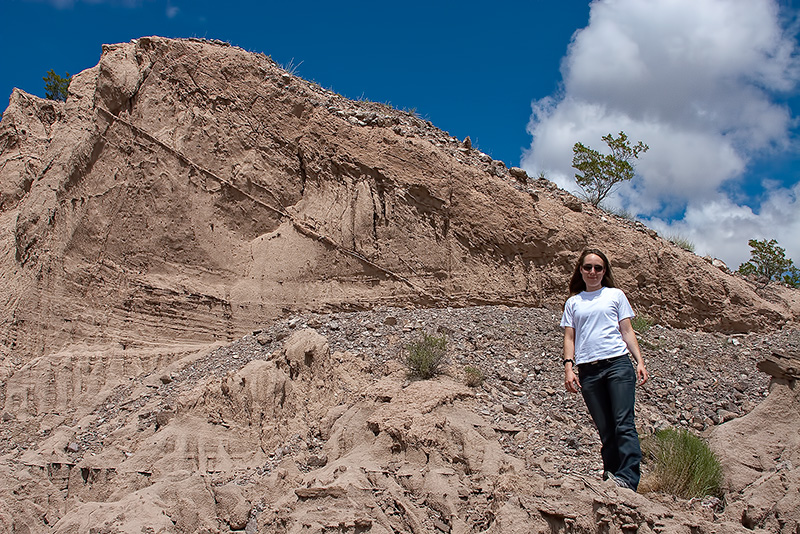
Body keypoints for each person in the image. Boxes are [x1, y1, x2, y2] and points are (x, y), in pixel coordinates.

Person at [560, 248, 649, 491]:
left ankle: (629, 479)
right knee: (606, 427)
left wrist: (639, 361)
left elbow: (627, 331)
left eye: (598, 268)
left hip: (617, 365)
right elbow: (570, 337)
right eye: (588, 267)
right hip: (588, 370)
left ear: (604, 271)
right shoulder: (573, 302)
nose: (592, 272)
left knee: (623, 422)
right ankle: (612, 476)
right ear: (580, 270)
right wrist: (569, 368)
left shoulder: (615, 295)